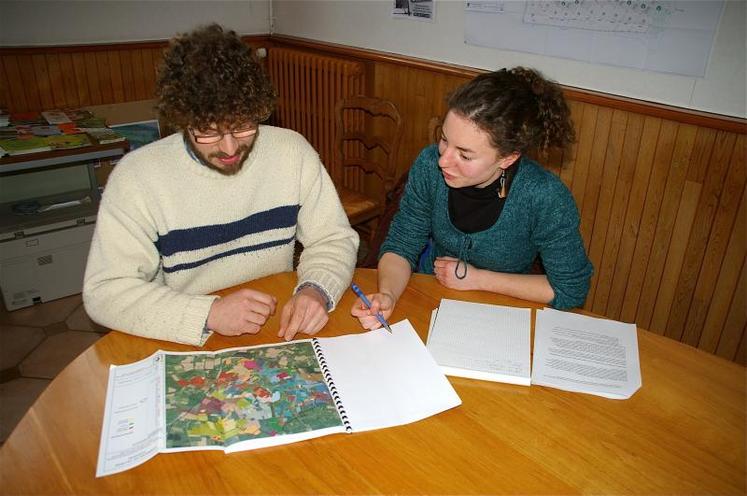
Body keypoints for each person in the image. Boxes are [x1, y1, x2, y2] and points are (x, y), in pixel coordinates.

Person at [83, 24, 358, 345]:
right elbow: (105, 292)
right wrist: (208, 314)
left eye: (242, 126)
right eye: (209, 132)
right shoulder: (137, 177)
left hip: (271, 323)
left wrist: (316, 288)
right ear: (182, 120)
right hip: (180, 330)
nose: (229, 149)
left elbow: (333, 238)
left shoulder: (292, 152)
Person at [352, 67, 592, 330]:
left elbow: (570, 288)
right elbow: (401, 244)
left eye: (464, 155)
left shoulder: (544, 196)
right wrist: (388, 294)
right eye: (444, 139)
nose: (443, 160)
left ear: (507, 158)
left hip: (505, 314)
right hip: (436, 299)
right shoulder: (428, 166)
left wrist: (479, 279)